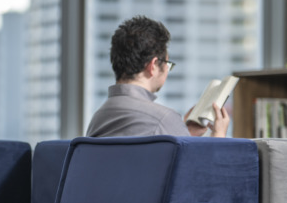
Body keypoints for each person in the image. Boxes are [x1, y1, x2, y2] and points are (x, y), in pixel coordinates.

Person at [86, 15, 230, 138]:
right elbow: (198, 170)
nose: (167, 69)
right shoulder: (163, 119)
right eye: (167, 63)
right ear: (153, 65)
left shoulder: (98, 120)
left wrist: (184, 134)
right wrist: (218, 138)